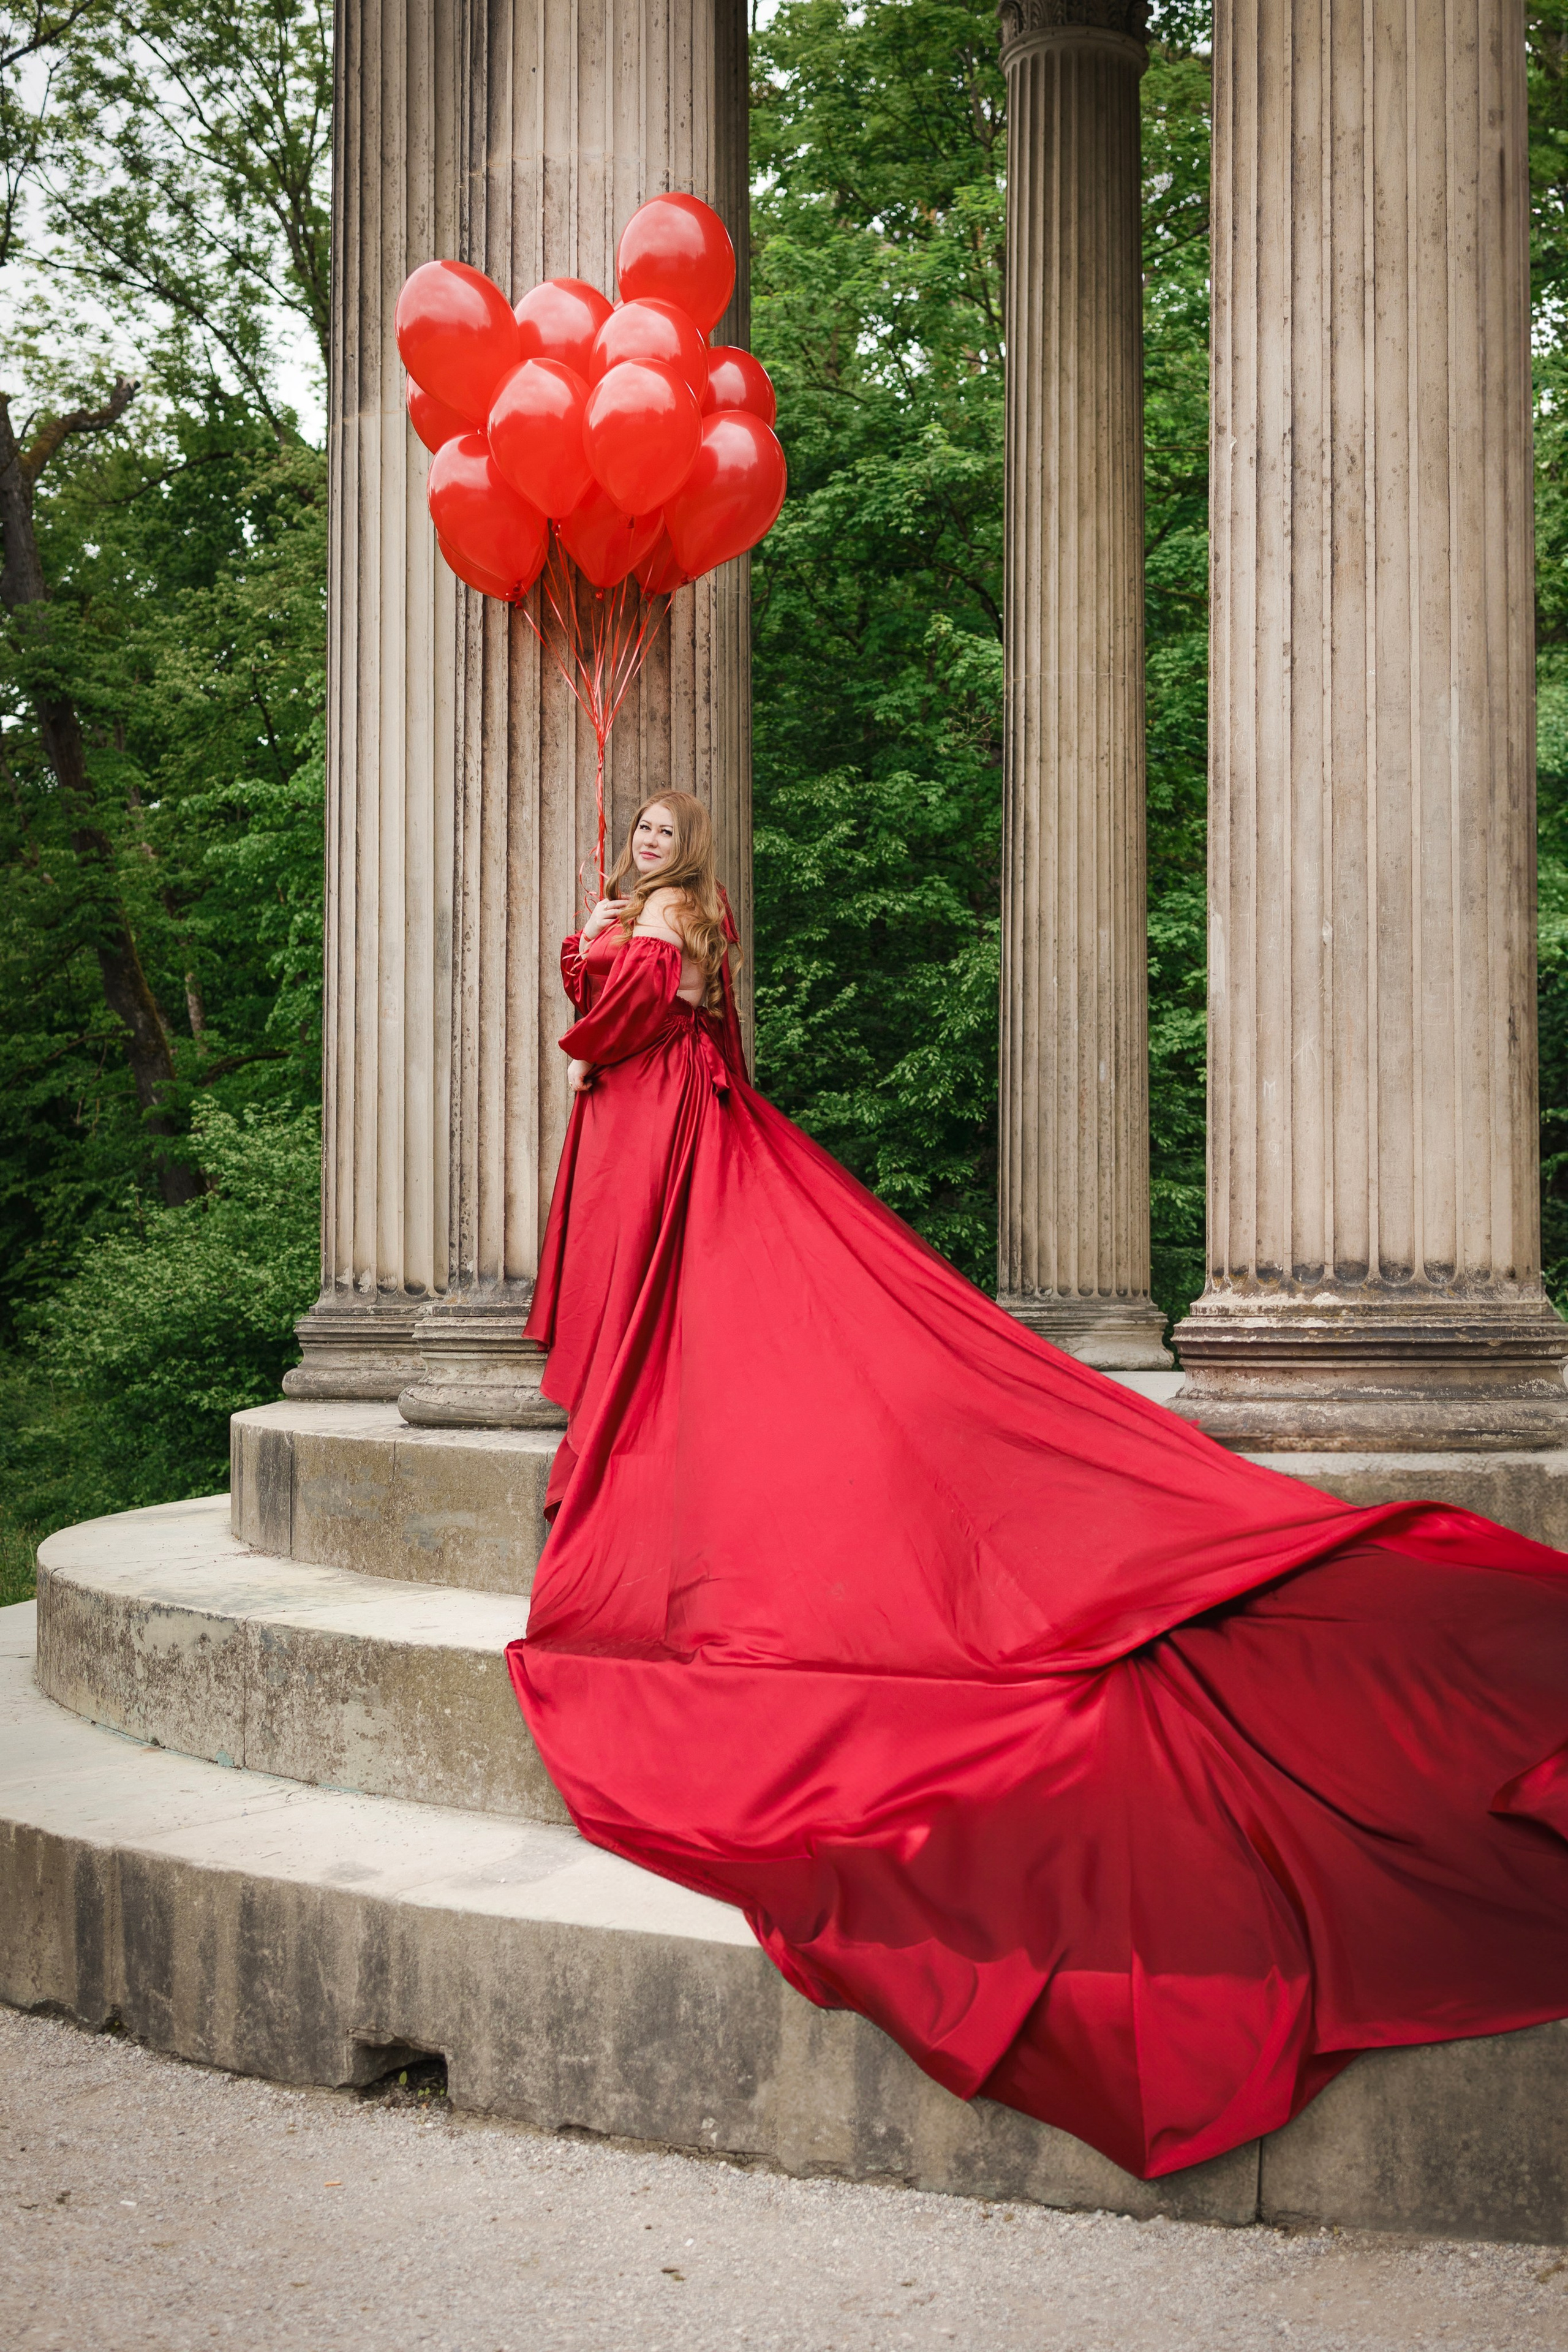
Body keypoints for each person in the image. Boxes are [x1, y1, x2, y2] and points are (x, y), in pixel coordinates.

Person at [508, 790, 1568, 2184]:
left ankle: (649, 1444)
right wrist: (595, 954)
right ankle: (639, 1419)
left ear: (687, 855)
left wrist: (597, 945)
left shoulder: (671, 918)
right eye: (637, 833)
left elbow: (618, 1027)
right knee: (678, 1310)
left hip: (662, 1123)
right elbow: (625, 1024)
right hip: (656, 1121)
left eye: (664, 834)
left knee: (711, 1310)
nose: (649, 845)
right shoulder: (663, 917)